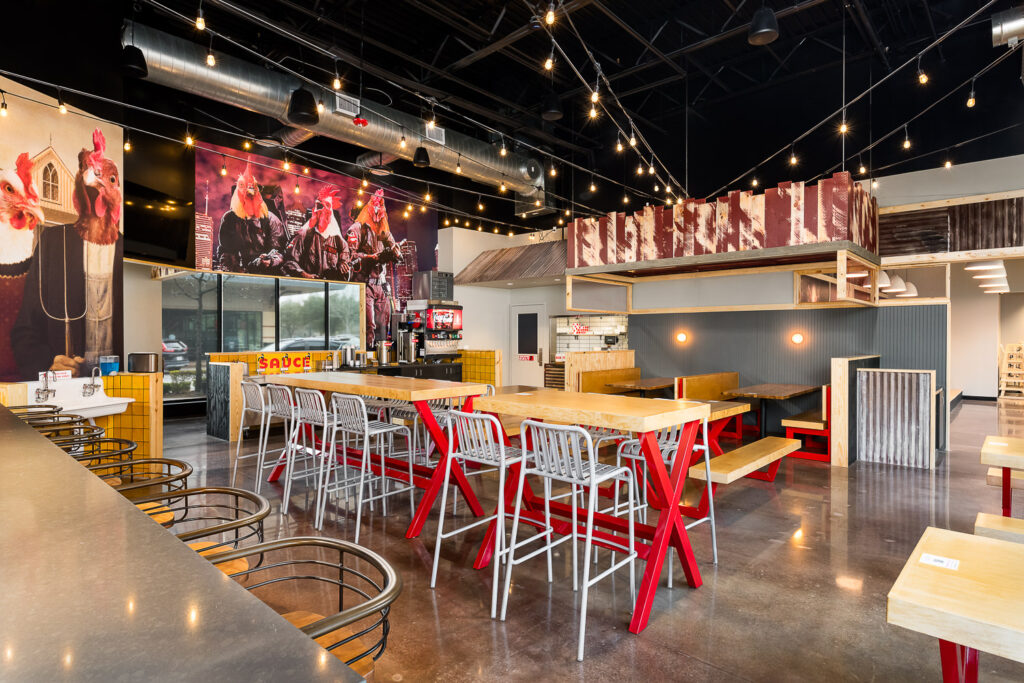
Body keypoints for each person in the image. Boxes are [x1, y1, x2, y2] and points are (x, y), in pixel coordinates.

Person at [13, 129, 122, 379]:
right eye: (88, 171)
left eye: (110, 179)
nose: (96, 179)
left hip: (117, 384)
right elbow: (24, 330)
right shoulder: (53, 243)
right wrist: (48, 363)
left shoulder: (125, 254)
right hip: (65, 387)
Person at [347, 189, 402, 346]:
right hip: (364, 284)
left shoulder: (385, 231)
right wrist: (369, 257)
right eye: (375, 205)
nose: (378, 210)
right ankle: (366, 354)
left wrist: (396, 252)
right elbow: (349, 255)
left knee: (383, 328)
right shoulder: (357, 228)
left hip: (381, 286)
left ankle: (380, 355)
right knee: (368, 327)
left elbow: (397, 253)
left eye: (380, 206)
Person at [215, 162, 288, 275]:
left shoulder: (271, 219)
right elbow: (226, 251)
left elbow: (279, 250)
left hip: (267, 273)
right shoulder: (230, 218)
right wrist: (238, 272)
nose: (249, 193)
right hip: (241, 273)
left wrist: (270, 260)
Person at [280, 185, 352, 281]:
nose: (322, 210)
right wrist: (304, 274)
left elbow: (347, 272)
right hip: (308, 285)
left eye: (326, 206)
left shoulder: (340, 243)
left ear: (330, 211)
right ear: (314, 209)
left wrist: (342, 266)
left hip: (329, 287)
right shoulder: (303, 235)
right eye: (319, 206)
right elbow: (289, 261)